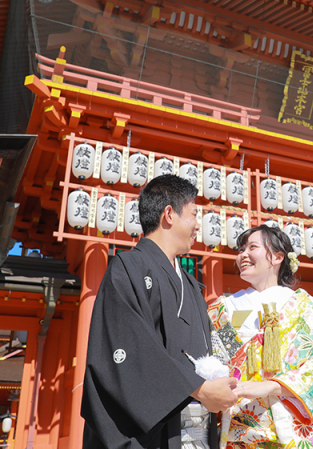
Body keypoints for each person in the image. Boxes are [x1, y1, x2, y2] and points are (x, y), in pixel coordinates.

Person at [82, 174, 238, 449]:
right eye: (193, 215)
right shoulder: (128, 268)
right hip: (150, 434)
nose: (197, 225)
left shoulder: (190, 284)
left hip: (195, 431)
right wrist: (199, 389)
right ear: (169, 214)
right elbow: (126, 349)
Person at [208, 225, 313, 448]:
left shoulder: (305, 307)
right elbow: (216, 362)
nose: (242, 255)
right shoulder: (223, 309)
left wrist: (270, 386)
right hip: (240, 424)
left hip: (290, 424)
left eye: (252, 247)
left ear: (277, 257)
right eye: (240, 250)